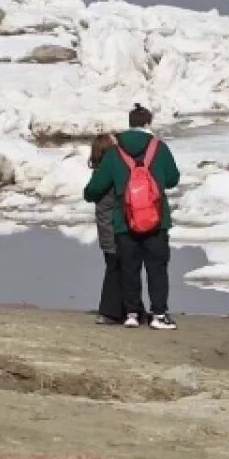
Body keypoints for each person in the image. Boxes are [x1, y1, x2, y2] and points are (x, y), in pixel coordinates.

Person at [84, 104, 181, 330]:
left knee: (129, 268)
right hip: (156, 220)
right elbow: (173, 179)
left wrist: (90, 194)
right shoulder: (159, 147)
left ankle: (131, 314)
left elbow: (97, 187)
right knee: (157, 268)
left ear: (129, 123)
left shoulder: (115, 152)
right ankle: (158, 314)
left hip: (124, 221)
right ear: (148, 123)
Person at [89, 133, 124, 325]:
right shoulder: (107, 173)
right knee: (116, 268)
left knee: (116, 267)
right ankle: (109, 311)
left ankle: (123, 309)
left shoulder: (100, 172)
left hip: (106, 227)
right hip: (113, 228)